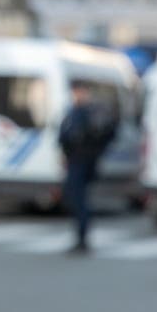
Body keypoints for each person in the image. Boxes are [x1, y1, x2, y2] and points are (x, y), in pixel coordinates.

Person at [58, 81, 117, 254]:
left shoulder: (91, 113)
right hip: (75, 160)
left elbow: (108, 133)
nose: (77, 95)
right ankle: (80, 236)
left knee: (79, 199)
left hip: (83, 161)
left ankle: (82, 238)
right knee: (74, 198)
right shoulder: (75, 111)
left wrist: (94, 152)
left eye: (79, 92)